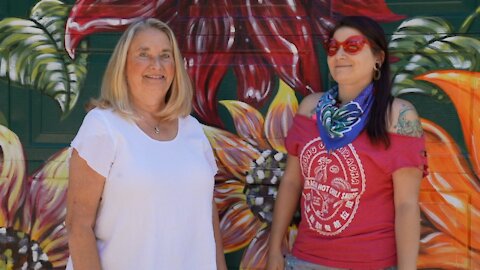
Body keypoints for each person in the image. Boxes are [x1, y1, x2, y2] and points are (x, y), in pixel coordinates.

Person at [267, 16, 427, 270]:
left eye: (352, 46)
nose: (339, 54)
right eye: (333, 48)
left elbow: (406, 205)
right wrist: (275, 248)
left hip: (370, 263)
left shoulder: (398, 116)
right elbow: (291, 181)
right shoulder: (311, 108)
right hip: (305, 260)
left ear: (379, 58)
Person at [65, 18, 227, 270]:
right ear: (124, 64)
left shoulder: (192, 130)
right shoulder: (103, 127)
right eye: (144, 54)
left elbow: (208, 218)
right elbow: (78, 226)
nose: (156, 65)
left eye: (165, 55)